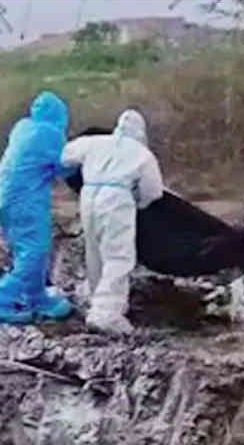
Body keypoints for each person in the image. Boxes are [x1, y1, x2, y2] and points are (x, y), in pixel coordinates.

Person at [61, 109, 164, 335]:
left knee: (94, 250)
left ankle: (95, 299)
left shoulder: (95, 142)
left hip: (89, 196)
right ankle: (106, 313)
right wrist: (140, 203)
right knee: (118, 256)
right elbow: (153, 192)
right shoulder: (142, 154)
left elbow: (65, 155)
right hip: (117, 199)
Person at [0, 91, 75, 324]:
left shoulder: (22, 128)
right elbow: (63, 168)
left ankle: (36, 297)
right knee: (34, 251)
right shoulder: (50, 134)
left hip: (3, 196)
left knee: (25, 250)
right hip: (24, 200)